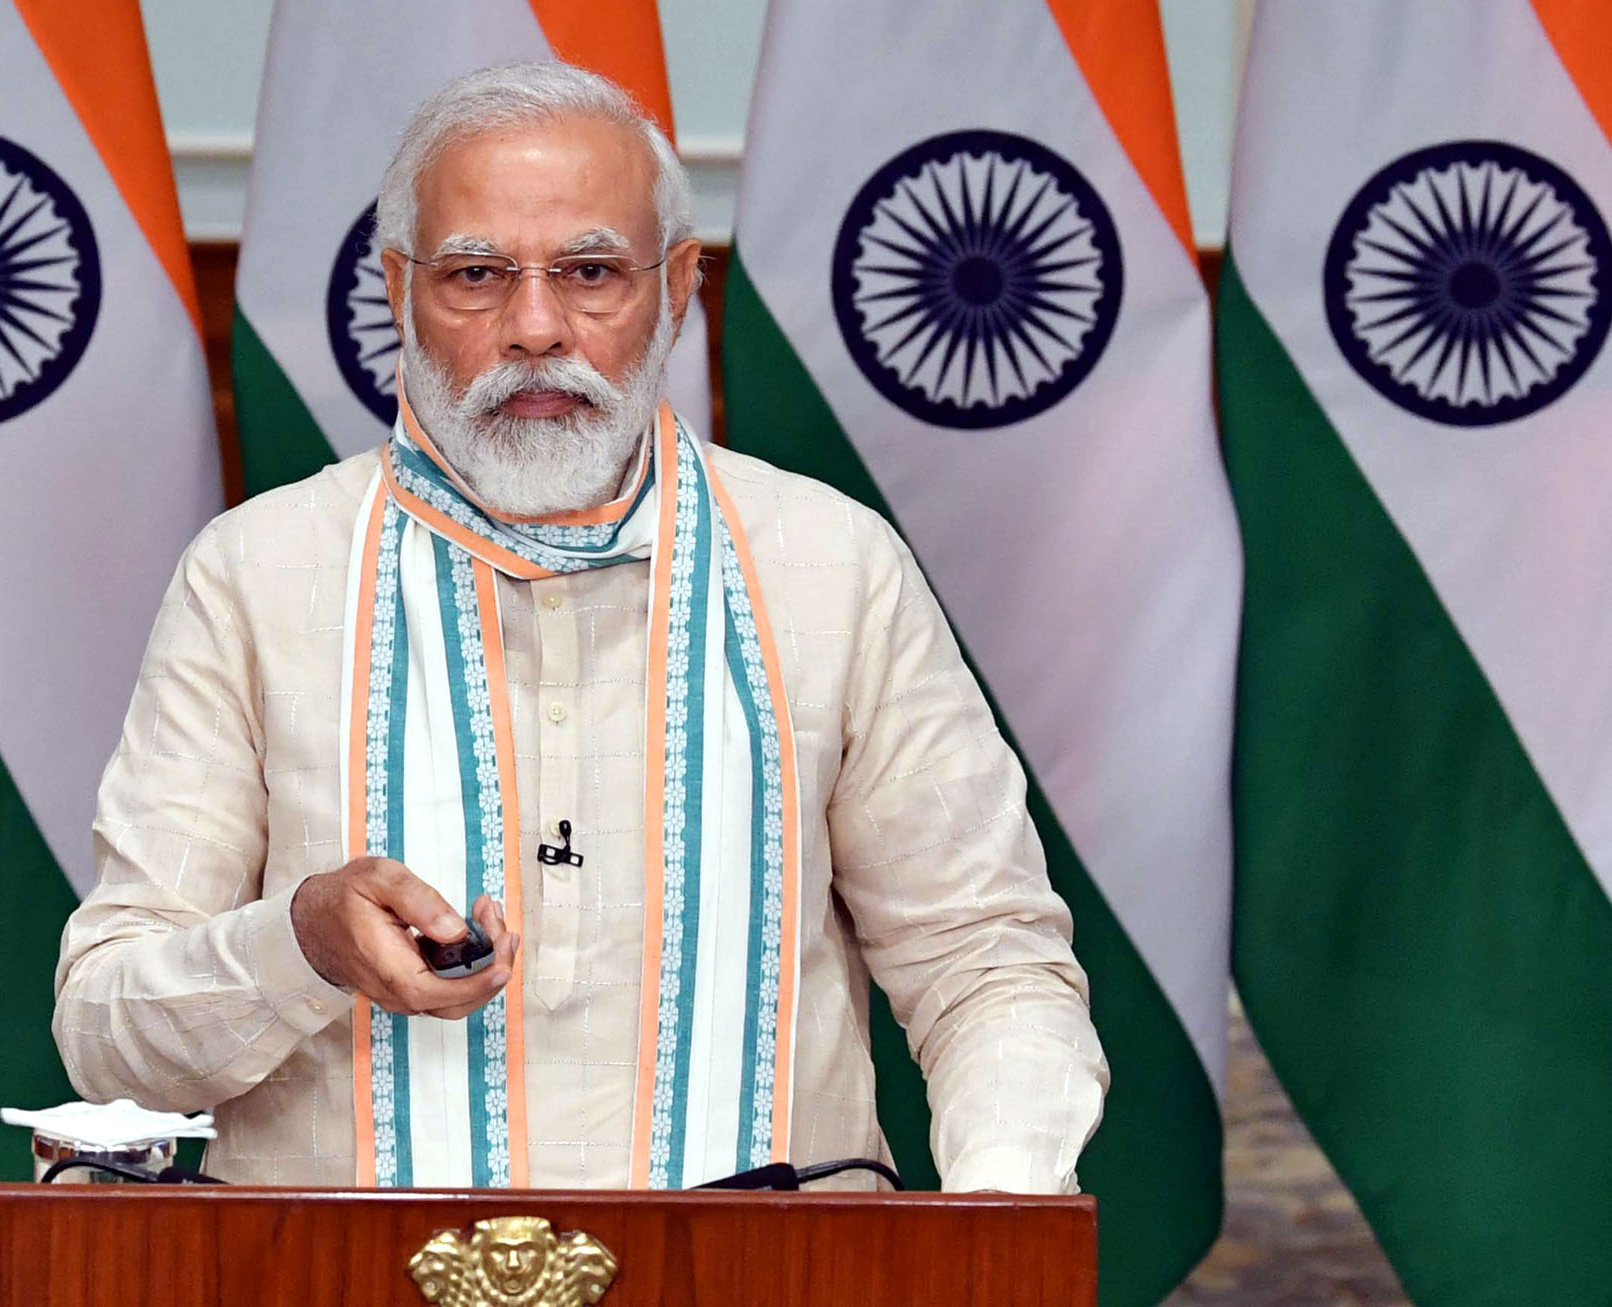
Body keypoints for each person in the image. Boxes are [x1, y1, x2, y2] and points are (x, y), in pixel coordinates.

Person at [54, 62, 1106, 1193]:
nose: (535, 327)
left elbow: (986, 964)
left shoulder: (834, 565)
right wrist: (299, 944)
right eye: (476, 276)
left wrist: (996, 1221)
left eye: (591, 272)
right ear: (398, 286)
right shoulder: (257, 574)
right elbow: (112, 1037)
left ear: (678, 284)